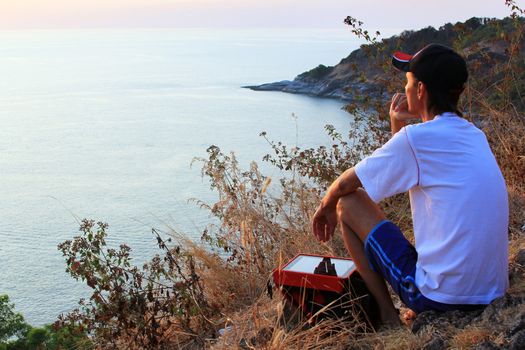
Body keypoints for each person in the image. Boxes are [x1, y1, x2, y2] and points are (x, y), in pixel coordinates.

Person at [311, 43, 509, 326]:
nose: (403, 90)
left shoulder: (416, 139)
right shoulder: (475, 136)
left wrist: (326, 205)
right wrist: (397, 125)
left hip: (441, 298)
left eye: (407, 83)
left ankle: (387, 318)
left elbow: (346, 184)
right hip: (490, 292)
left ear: (420, 91)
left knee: (348, 203)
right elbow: (407, 174)